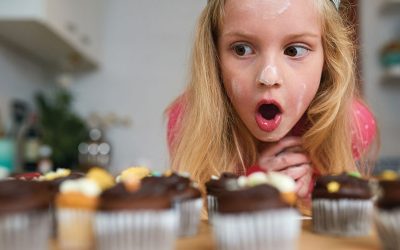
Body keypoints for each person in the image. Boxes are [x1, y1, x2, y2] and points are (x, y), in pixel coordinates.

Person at [166, 0, 378, 208]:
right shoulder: (188, 121)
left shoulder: (352, 124)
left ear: (329, 57)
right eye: (241, 49)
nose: (268, 76)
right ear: (215, 57)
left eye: (294, 51)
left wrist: (310, 191)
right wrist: (258, 183)